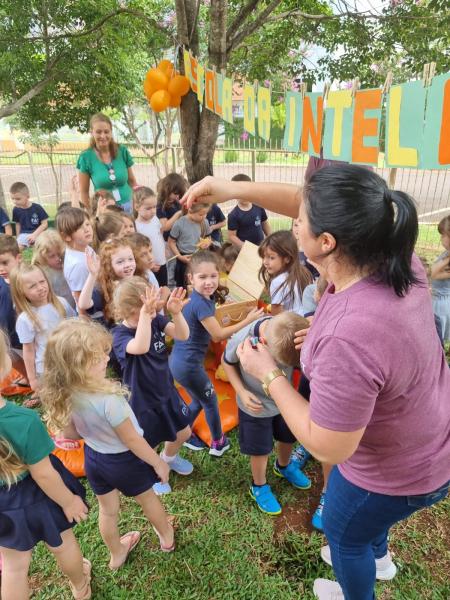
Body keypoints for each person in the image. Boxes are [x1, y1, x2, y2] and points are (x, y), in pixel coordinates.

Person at [181, 166, 450, 600]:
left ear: (327, 243)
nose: (294, 222)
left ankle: (354, 588)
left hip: (396, 472)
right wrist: (229, 189)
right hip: (429, 441)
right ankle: (378, 558)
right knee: (367, 527)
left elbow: (328, 446)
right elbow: (304, 205)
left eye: (301, 221)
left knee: (344, 537)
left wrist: (268, 373)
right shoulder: (398, 261)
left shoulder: (349, 333)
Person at [41, 319, 175, 569]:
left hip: (95, 458)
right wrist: (158, 462)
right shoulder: (110, 400)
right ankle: (167, 537)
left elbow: (72, 434)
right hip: (126, 461)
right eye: (98, 357)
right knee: (148, 500)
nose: (106, 358)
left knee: (108, 511)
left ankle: (117, 553)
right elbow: (133, 440)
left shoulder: (67, 393)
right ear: (78, 367)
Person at [0, 328, 90, 600]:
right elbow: (44, 476)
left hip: (3, 504)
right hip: (39, 497)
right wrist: (68, 502)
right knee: (63, 544)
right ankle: (80, 586)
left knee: (15, 568)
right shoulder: (23, 421)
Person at [169, 250, 264, 455]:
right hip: (190, 367)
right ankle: (218, 442)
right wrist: (247, 320)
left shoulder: (196, 299)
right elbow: (218, 336)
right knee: (210, 401)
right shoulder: (202, 304)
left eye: (213, 276)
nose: (209, 282)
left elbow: (208, 322)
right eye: (202, 277)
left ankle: (183, 434)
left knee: (197, 400)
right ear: (191, 278)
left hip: (178, 362)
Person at [222, 311, 311, 515]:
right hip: (255, 406)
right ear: (263, 343)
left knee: (288, 436)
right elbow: (227, 362)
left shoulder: (291, 331)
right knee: (260, 450)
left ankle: (284, 466)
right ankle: (259, 485)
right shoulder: (241, 339)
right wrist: (242, 392)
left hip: (283, 402)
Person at [113, 278, 192, 495]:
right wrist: (146, 317)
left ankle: (168, 459)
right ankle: (155, 472)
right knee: (150, 443)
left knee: (183, 433)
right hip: (142, 402)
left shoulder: (155, 319)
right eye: (148, 308)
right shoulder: (119, 335)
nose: (155, 310)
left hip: (166, 392)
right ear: (130, 311)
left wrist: (176, 313)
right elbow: (140, 347)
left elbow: (183, 335)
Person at [10, 263, 76, 399]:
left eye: (42, 281)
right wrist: (32, 378)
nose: (40, 287)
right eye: (32, 286)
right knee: (57, 401)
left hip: (70, 359)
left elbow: (74, 327)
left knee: (75, 395)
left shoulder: (61, 303)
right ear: (21, 291)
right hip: (47, 368)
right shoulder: (25, 319)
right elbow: (28, 350)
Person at [78, 238, 146, 328]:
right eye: (120, 262)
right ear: (109, 266)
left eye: (130, 259)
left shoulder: (138, 282)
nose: (128, 264)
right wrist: (92, 275)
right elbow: (83, 304)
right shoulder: (103, 289)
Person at [77, 113, 137, 213]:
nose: (103, 136)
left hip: (129, 207)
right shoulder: (86, 157)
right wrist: (90, 214)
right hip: (106, 211)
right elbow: (84, 192)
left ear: (111, 132)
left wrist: (138, 202)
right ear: (92, 132)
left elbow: (132, 181)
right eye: (98, 132)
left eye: (106, 132)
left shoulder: (122, 151)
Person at [258, 230, 312, 316]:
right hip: (302, 319)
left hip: (288, 325)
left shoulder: (278, 281)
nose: (265, 262)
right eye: (264, 257)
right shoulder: (302, 272)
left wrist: (259, 313)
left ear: (287, 258)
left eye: (271, 258)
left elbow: (276, 316)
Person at [56, 208, 94, 309]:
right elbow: (79, 296)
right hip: (93, 313)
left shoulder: (83, 247)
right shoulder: (78, 265)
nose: (87, 229)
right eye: (79, 228)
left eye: (87, 224)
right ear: (67, 237)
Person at [168, 203, 212, 288]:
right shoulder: (179, 224)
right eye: (201, 214)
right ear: (190, 210)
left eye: (206, 214)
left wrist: (207, 243)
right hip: (184, 260)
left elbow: (208, 237)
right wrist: (180, 256)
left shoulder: (204, 222)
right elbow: (171, 242)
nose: (204, 217)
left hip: (200, 258)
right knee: (184, 286)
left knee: (200, 284)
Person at [32, 230, 76, 309]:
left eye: (60, 254)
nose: (58, 259)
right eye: (52, 256)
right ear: (42, 257)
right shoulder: (42, 273)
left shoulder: (71, 264)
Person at [134, 186, 167, 286]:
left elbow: (158, 236)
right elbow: (139, 250)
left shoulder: (155, 219)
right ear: (137, 207)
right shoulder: (137, 227)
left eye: (154, 207)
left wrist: (163, 249)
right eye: (148, 208)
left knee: (164, 287)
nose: (153, 211)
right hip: (149, 267)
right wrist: (150, 265)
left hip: (162, 262)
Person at [227, 174, 271, 247]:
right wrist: (245, 246)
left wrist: (270, 238)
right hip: (244, 250)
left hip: (260, 247)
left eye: (246, 192)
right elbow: (232, 236)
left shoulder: (259, 207)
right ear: (234, 194)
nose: (244, 195)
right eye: (241, 192)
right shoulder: (233, 215)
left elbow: (265, 223)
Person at [10, 182, 48, 249]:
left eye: (18, 199)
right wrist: (18, 237)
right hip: (24, 235)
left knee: (43, 247)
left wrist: (34, 235)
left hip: (38, 233)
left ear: (27, 196)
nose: (15, 201)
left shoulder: (37, 208)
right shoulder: (15, 209)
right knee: (16, 249)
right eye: (12, 199)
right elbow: (18, 224)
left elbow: (44, 224)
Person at [431, 215, 450, 342]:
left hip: (441, 305)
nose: (441, 238)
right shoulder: (447, 253)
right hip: (436, 299)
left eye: (444, 235)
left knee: (437, 339)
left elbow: (433, 273)